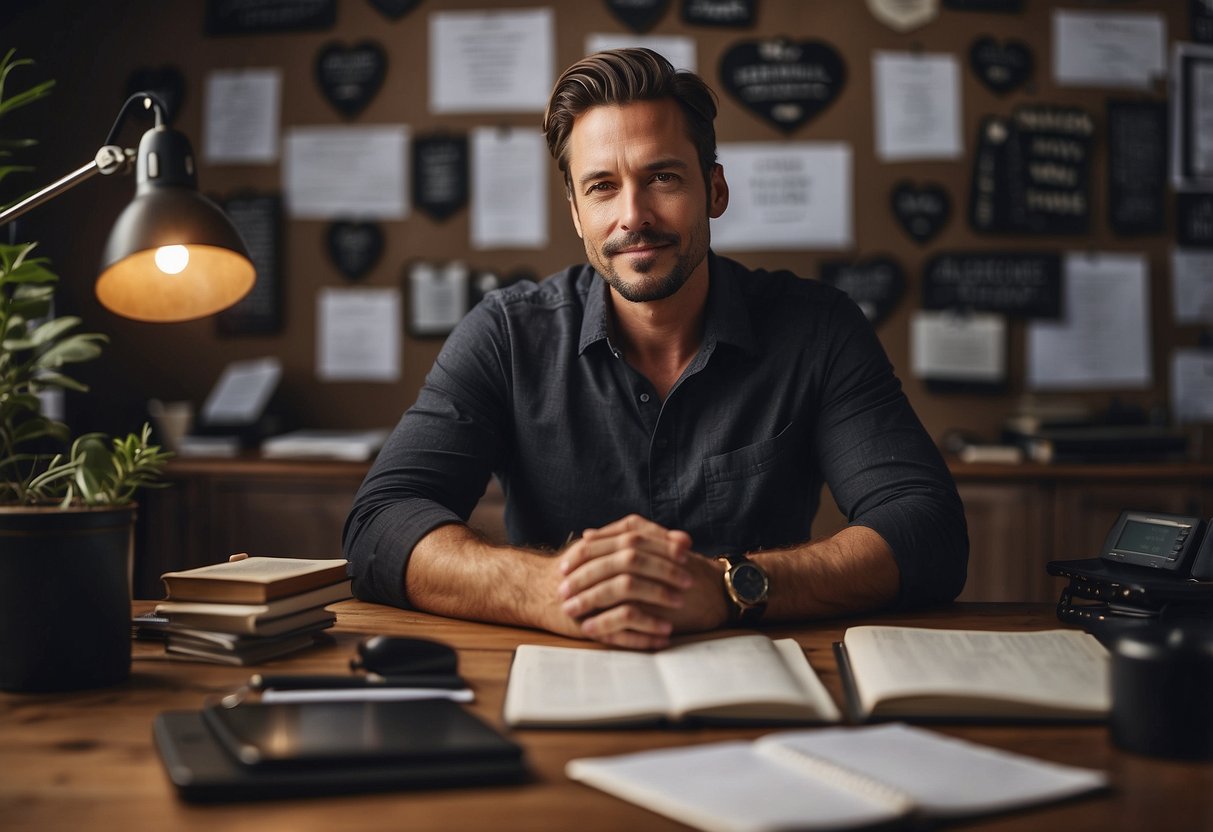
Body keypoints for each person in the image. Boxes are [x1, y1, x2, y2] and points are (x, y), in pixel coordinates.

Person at [343, 48, 968, 650]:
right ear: (575, 211)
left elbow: (927, 530)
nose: (632, 216)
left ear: (715, 190)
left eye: (662, 177)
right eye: (602, 187)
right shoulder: (506, 335)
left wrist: (730, 586)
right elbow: (380, 523)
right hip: (560, 669)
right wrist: (552, 590)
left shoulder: (818, 329)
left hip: (764, 680)